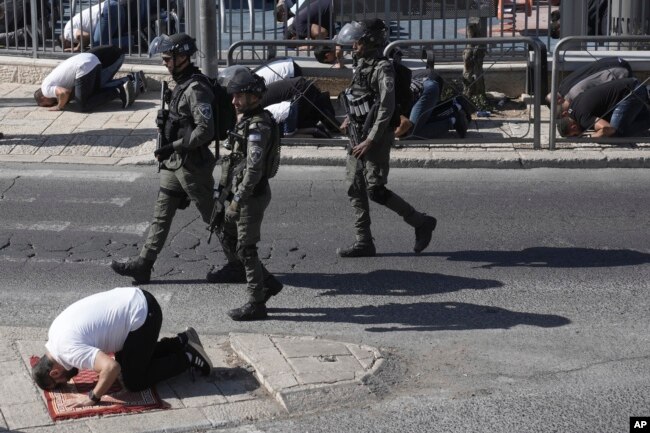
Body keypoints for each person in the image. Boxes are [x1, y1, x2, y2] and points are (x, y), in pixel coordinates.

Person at [110, 33, 217, 284]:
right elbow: (183, 121)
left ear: (182, 57)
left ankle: (240, 262)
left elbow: (205, 130)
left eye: (168, 58)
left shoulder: (196, 88)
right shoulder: (181, 83)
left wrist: (175, 144)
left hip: (193, 164)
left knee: (213, 216)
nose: (165, 63)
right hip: (176, 162)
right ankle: (144, 264)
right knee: (162, 212)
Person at [335, 19, 437, 257]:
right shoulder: (360, 64)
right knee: (354, 187)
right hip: (357, 134)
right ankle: (364, 242)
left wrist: (371, 139)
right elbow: (358, 96)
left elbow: (386, 107)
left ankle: (421, 223)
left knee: (375, 190)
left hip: (376, 137)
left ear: (370, 42)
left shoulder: (383, 68)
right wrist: (349, 119)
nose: (353, 46)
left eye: (358, 42)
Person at [31, 287, 212, 404]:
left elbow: (111, 368)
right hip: (136, 299)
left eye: (61, 382)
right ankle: (181, 341)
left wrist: (93, 397)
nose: (68, 381)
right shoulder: (54, 333)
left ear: (54, 373)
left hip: (143, 316)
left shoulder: (68, 352)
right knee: (130, 364)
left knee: (134, 381)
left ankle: (187, 357)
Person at [214, 67, 282, 321]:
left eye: (239, 96)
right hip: (239, 192)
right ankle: (269, 283)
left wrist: (237, 202)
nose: (234, 101)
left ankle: (257, 302)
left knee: (247, 248)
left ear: (254, 96)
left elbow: (253, 171)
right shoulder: (245, 120)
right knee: (230, 236)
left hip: (251, 196)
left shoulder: (258, 127)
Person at [33, 50, 136, 112]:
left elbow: (64, 93)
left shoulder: (45, 89)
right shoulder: (48, 81)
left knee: (82, 105)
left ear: (42, 98)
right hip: (92, 59)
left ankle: (118, 90)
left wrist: (59, 106)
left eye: (47, 104)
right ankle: (126, 83)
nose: (51, 104)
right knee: (94, 92)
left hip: (83, 67)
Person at [557, 77, 650, 138]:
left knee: (616, 134)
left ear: (573, 127)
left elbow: (608, 129)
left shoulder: (583, 119)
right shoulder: (574, 106)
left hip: (632, 93)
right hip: (631, 85)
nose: (578, 135)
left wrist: (592, 137)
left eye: (575, 135)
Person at [395, 68, 470, 139]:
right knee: (420, 121)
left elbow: (405, 123)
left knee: (411, 133)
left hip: (426, 89)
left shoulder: (386, 105)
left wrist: (390, 137)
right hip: (425, 84)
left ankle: (454, 119)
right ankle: (455, 105)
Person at [260, 76, 338, 137]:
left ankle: (320, 130)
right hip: (303, 86)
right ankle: (332, 126)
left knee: (296, 123)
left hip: (302, 89)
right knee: (298, 116)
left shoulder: (259, 106)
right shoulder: (259, 97)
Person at [548, 57, 633, 111]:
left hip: (620, 71)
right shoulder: (563, 84)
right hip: (613, 60)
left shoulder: (574, 96)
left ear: (559, 100)